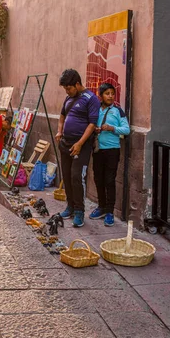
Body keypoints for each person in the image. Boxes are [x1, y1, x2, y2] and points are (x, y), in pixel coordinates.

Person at [55, 69, 101, 228]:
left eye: (69, 88)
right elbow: (62, 116)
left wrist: (80, 143)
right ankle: (70, 206)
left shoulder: (91, 99)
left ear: (77, 84)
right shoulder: (68, 98)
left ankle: (80, 212)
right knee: (66, 176)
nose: (67, 91)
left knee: (76, 176)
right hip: (65, 144)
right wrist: (59, 131)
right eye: (65, 89)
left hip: (81, 145)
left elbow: (92, 124)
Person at [90, 83, 130, 227]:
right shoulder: (96, 110)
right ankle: (101, 207)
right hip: (98, 150)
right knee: (98, 179)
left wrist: (112, 128)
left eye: (112, 93)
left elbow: (126, 130)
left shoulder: (118, 111)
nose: (110, 96)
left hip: (112, 150)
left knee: (109, 180)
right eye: (107, 93)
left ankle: (110, 212)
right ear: (101, 95)